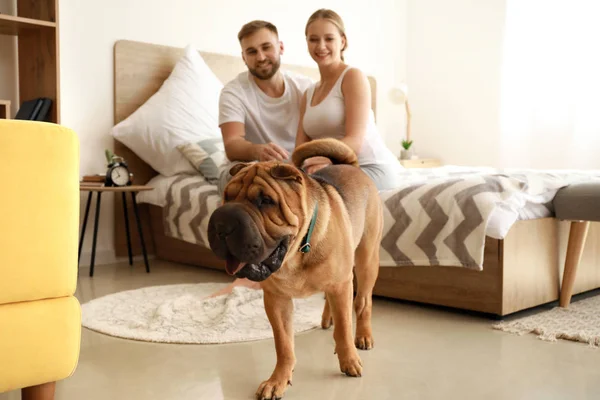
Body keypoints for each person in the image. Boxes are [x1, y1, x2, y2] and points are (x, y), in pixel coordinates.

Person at [208, 20, 313, 298]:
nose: (261, 56)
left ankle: (316, 267)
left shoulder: (304, 87)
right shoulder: (233, 92)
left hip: (292, 169)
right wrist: (258, 151)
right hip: (248, 167)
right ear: (243, 57)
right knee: (235, 184)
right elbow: (232, 145)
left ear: (280, 47)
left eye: (266, 47)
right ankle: (250, 271)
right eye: (251, 51)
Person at [297, 9, 403, 190]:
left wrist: (326, 160)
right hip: (331, 169)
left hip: (370, 168)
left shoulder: (352, 77)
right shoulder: (308, 93)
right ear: (306, 42)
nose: (321, 46)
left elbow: (354, 141)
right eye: (313, 39)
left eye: (329, 39)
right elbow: (300, 150)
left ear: (342, 41)